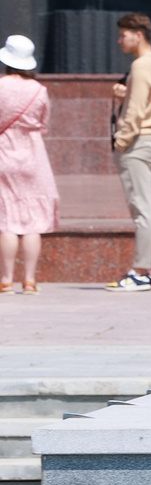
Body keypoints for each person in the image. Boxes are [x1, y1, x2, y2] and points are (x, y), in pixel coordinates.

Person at [109, 11, 151, 290]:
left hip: (137, 142)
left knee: (142, 208)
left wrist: (121, 140)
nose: (119, 40)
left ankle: (140, 271)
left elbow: (135, 110)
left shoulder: (141, 65)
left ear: (138, 34)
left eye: (123, 34)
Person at [0, 32, 57, 293]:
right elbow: (43, 125)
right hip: (33, 155)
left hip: (4, 153)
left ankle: (6, 280)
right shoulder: (39, 90)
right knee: (32, 222)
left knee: (7, 220)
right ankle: (30, 280)